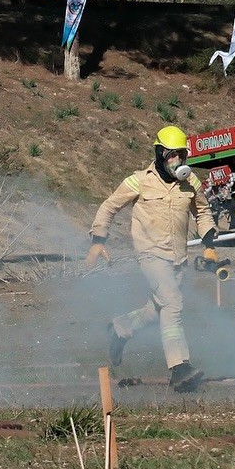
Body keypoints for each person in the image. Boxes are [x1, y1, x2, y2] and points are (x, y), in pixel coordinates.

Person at [86, 125, 215, 392]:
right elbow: (110, 205)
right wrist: (98, 240)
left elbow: (203, 212)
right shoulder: (139, 181)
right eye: (171, 155)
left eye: (182, 155)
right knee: (173, 304)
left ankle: (120, 328)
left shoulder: (191, 183)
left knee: (156, 311)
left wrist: (209, 243)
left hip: (178, 258)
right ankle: (179, 368)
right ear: (160, 154)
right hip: (150, 256)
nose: (177, 161)